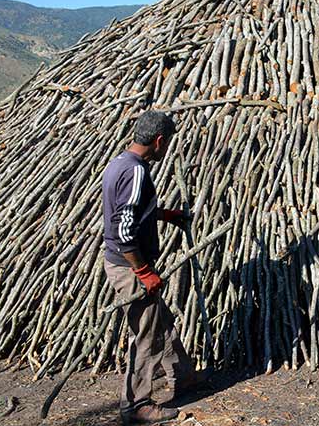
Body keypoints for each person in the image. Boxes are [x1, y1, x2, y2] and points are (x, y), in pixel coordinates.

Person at [102, 110, 208, 424]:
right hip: (130, 267)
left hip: (124, 263)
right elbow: (121, 229)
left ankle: (183, 376)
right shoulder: (136, 172)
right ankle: (136, 406)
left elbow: (130, 210)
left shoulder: (119, 163)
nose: (166, 149)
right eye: (168, 143)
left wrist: (163, 215)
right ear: (159, 141)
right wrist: (143, 271)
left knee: (159, 321)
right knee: (146, 336)